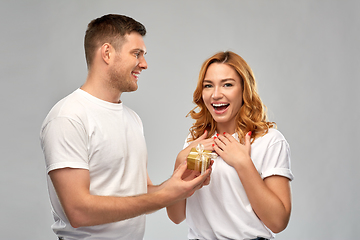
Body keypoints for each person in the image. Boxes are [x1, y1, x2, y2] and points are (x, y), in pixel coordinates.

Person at [40, 14, 211, 240]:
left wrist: (178, 180)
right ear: (107, 53)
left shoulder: (132, 119)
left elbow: (141, 195)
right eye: (136, 54)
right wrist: (165, 196)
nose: (144, 64)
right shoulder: (68, 117)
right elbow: (78, 211)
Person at [166, 51, 294, 240]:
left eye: (227, 84)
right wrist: (180, 163)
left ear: (244, 89)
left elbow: (278, 222)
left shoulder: (269, 140)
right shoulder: (196, 141)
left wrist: (243, 163)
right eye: (208, 86)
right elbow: (176, 216)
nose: (216, 94)